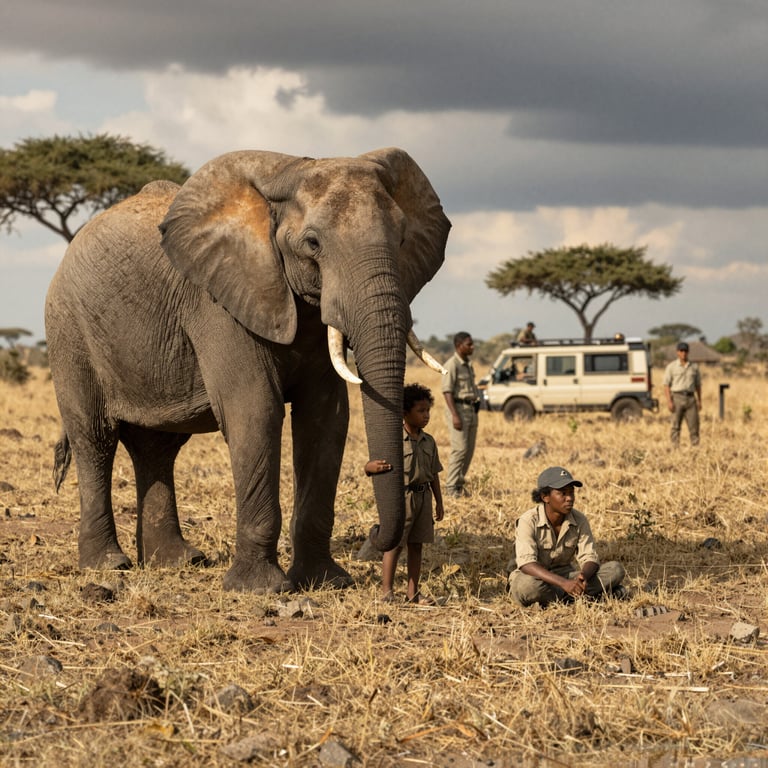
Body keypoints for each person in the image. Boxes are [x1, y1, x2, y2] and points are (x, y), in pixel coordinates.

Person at [366, 383, 444, 604]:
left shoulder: (429, 441)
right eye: (421, 411)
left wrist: (439, 502)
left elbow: (434, 473)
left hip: (423, 496)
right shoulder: (393, 440)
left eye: (428, 410)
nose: (426, 416)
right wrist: (367, 468)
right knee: (395, 544)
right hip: (402, 498)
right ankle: (386, 592)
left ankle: (413, 593)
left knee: (416, 545)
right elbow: (375, 465)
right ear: (404, 412)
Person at [507, 466, 626, 607]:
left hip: (566, 577)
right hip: (533, 578)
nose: (569, 498)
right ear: (545, 497)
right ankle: (584, 597)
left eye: (571, 493)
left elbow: (590, 557)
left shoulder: (579, 519)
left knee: (615, 570)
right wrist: (564, 584)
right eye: (562, 493)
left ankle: (567, 598)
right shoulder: (528, 520)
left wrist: (583, 577)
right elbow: (526, 564)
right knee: (528, 587)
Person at [441, 332, 480, 498]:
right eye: (469, 344)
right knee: (460, 449)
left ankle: (459, 484)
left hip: (470, 410)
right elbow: (447, 391)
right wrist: (455, 415)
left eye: (472, 344)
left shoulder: (468, 364)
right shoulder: (452, 364)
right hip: (458, 410)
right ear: (459, 346)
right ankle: (451, 487)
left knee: (469, 450)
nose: (472, 347)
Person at [663, 341, 702, 446]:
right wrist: (669, 401)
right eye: (681, 351)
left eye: (685, 351)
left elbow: (698, 385)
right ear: (677, 352)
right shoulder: (671, 367)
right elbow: (666, 385)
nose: (683, 353)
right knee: (675, 426)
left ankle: (695, 447)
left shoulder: (694, 367)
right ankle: (675, 448)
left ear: (688, 352)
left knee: (694, 425)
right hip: (677, 397)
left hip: (690, 398)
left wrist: (699, 400)